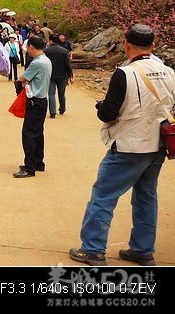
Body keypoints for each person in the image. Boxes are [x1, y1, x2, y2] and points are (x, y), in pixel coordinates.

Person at [69, 23, 175, 267]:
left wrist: (100, 107)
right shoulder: (169, 72)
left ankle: (93, 250)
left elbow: (107, 114)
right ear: (153, 46)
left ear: (126, 45)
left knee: (103, 196)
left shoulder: (124, 74)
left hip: (128, 146)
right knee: (147, 197)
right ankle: (142, 250)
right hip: (157, 145)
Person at [13, 35, 52, 178]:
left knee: (28, 134)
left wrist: (22, 81)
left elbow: (22, 78)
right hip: (42, 100)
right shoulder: (46, 60)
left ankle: (29, 167)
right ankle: (38, 162)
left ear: (31, 47)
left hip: (35, 101)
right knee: (38, 133)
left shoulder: (37, 63)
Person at [45, 34, 74, 118]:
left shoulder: (46, 51)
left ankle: (52, 112)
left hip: (50, 75)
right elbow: (68, 64)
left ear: (50, 41)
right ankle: (62, 108)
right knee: (61, 93)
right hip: (62, 75)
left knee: (51, 93)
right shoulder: (64, 51)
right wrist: (70, 75)